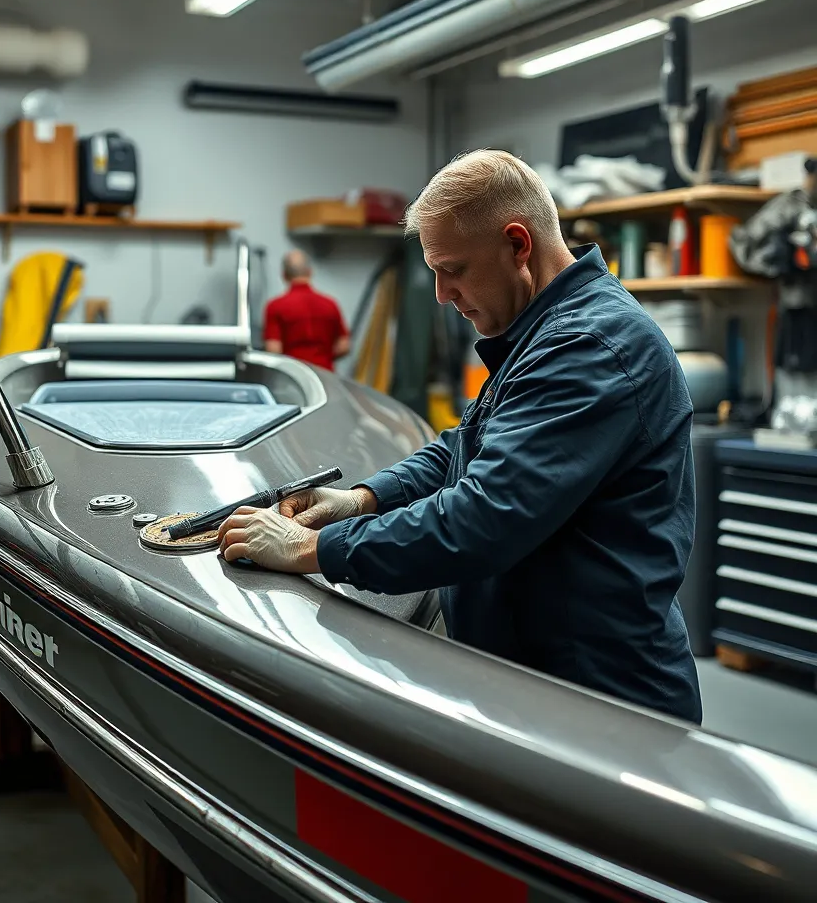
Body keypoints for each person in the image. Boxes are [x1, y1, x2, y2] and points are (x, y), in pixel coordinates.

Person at [219, 149, 702, 724]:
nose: (443, 294)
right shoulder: (543, 331)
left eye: (454, 269)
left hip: (600, 701)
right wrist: (362, 499)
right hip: (536, 679)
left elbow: (484, 518)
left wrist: (309, 550)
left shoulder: (590, 347)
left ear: (518, 245)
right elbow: (466, 442)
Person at [263, 250, 350, 371]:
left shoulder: (275, 306)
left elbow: (273, 349)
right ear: (310, 272)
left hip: (293, 375)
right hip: (325, 375)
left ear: (284, 275)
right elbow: (344, 346)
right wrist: (324, 358)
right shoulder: (330, 304)